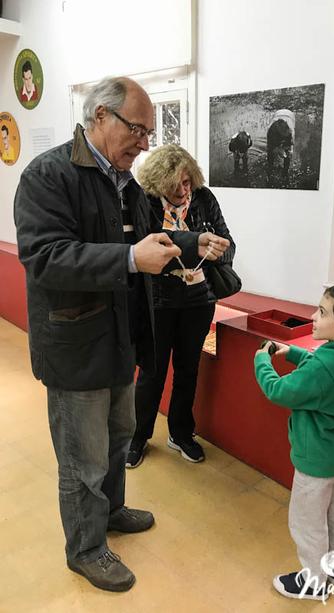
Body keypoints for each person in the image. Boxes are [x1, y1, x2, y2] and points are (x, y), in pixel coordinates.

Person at [13, 76, 200, 593]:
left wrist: (189, 237)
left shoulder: (127, 183)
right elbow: (44, 257)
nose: (144, 144)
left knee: (117, 441)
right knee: (82, 460)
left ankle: (112, 512)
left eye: (148, 133)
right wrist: (127, 258)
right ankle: (86, 548)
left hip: (122, 340)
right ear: (100, 116)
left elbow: (145, 239)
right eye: (137, 130)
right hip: (75, 348)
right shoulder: (47, 175)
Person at [254, 285, 334, 600]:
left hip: (316, 458)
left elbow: (279, 391)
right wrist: (296, 354)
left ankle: (314, 581)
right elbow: (323, 370)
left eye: (322, 312)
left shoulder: (323, 367)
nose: (313, 316)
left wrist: (262, 361)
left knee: (307, 520)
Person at [126, 144, 233, 469]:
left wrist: (220, 249)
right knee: (151, 372)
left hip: (199, 300)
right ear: (158, 182)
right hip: (157, 299)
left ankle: (181, 433)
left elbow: (228, 243)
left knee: (188, 369)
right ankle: (137, 436)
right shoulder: (144, 201)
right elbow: (147, 247)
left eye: (187, 182)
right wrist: (192, 245)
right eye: (175, 184)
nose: (183, 190)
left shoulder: (203, 197)